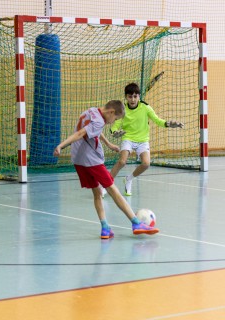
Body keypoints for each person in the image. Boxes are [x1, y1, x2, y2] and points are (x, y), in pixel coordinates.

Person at [53, 100, 159, 239]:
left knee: (97, 193)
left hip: (79, 160)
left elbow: (94, 130)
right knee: (113, 190)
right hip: (92, 160)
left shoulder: (91, 111)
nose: (112, 122)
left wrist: (108, 144)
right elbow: (80, 133)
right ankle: (136, 223)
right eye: (115, 119)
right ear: (111, 112)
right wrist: (61, 145)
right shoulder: (99, 122)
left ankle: (105, 228)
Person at [107, 83, 183, 196]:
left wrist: (169, 124)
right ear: (125, 97)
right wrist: (115, 132)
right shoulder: (122, 110)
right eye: (130, 96)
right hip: (128, 137)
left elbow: (158, 121)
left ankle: (129, 179)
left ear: (139, 96)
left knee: (146, 164)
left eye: (135, 96)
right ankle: (106, 185)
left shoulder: (146, 107)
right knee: (122, 161)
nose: (132, 99)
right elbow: (114, 125)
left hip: (143, 140)